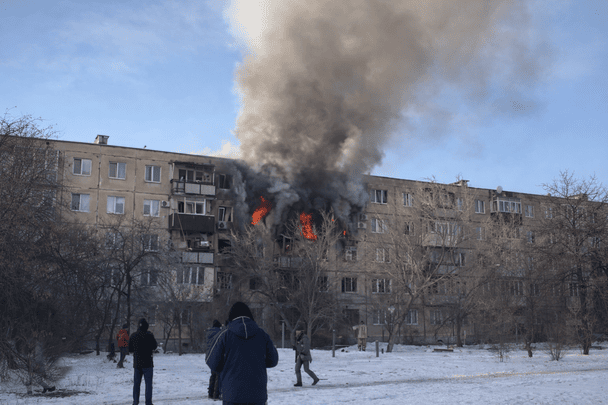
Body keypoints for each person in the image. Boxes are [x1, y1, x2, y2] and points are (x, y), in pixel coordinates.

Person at [206, 302, 279, 405]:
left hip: (232, 395)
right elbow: (273, 361)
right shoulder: (262, 334)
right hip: (258, 396)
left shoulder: (225, 335)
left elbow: (213, 363)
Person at [128, 318, 158, 405]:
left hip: (137, 363)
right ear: (146, 326)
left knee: (136, 384)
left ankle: (135, 402)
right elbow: (154, 346)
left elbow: (130, 349)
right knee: (148, 384)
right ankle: (148, 402)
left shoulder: (133, 335)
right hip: (148, 363)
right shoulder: (149, 335)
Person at [206, 319, 222, 400]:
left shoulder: (209, 333)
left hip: (210, 356)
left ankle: (210, 393)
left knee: (213, 374)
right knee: (218, 375)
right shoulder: (219, 333)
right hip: (217, 355)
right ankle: (216, 394)